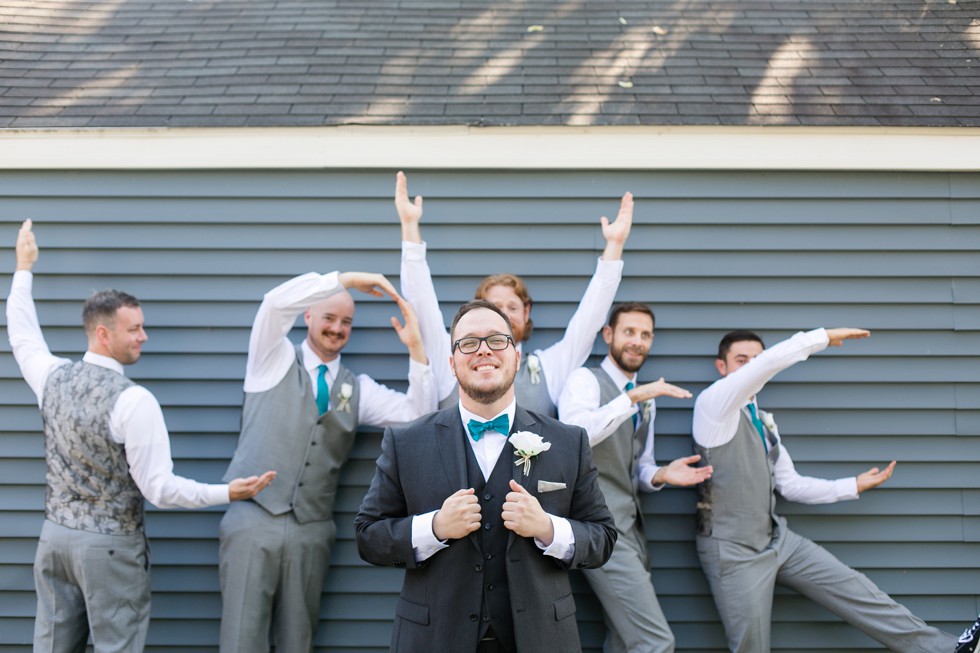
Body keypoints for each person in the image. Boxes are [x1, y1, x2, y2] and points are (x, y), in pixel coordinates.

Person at [6, 220, 276, 653]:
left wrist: (23, 269)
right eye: (134, 329)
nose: (144, 336)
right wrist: (227, 492)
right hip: (110, 549)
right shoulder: (135, 401)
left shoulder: (50, 376)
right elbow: (161, 490)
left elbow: (21, 334)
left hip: (54, 539)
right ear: (103, 333)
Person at [355, 299, 617, 653]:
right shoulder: (405, 442)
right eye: (468, 343)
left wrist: (548, 529)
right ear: (452, 363)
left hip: (541, 640)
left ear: (517, 356)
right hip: (434, 641)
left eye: (496, 340)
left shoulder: (568, 442)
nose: (483, 351)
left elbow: (602, 539)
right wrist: (433, 529)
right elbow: (369, 538)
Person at [693, 327, 956, 653]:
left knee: (857, 592)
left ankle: (946, 650)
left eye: (755, 360)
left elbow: (789, 484)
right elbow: (766, 367)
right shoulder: (711, 407)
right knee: (750, 646)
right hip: (733, 553)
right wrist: (818, 338)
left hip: (777, 539)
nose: (750, 367)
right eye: (741, 361)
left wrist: (852, 485)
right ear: (722, 367)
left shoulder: (760, 419)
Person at [218, 266, 436, 653]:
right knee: (241, 640)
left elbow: (419, 415)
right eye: (329, 318)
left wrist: (417, 349)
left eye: (346, 322)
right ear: (308, 316)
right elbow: (273, 304)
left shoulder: (357, 388)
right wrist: (346, 280)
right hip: (253, 518)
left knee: (298, 641)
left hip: (311, 529)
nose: (337, 328)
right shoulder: (271, 359)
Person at [395, 170, 632, 417]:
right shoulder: (450, 356)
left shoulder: (550, 367)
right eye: (496, 308)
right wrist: (409, 226)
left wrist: (614, 245)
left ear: (526, 312)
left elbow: (589, 319)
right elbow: (421, 303)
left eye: (513, 307)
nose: (505, 315)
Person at [558, 302, 712, 653]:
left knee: (623, 640)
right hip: (595, 527)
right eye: (629, 332)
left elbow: (640, 467)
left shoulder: (647, 400)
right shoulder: (586, 380)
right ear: (609, 335)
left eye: (645, 335)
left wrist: (662, 475)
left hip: (632, 529)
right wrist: (631, 398)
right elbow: (574, 434)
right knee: (656, 642)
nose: (637, 341)